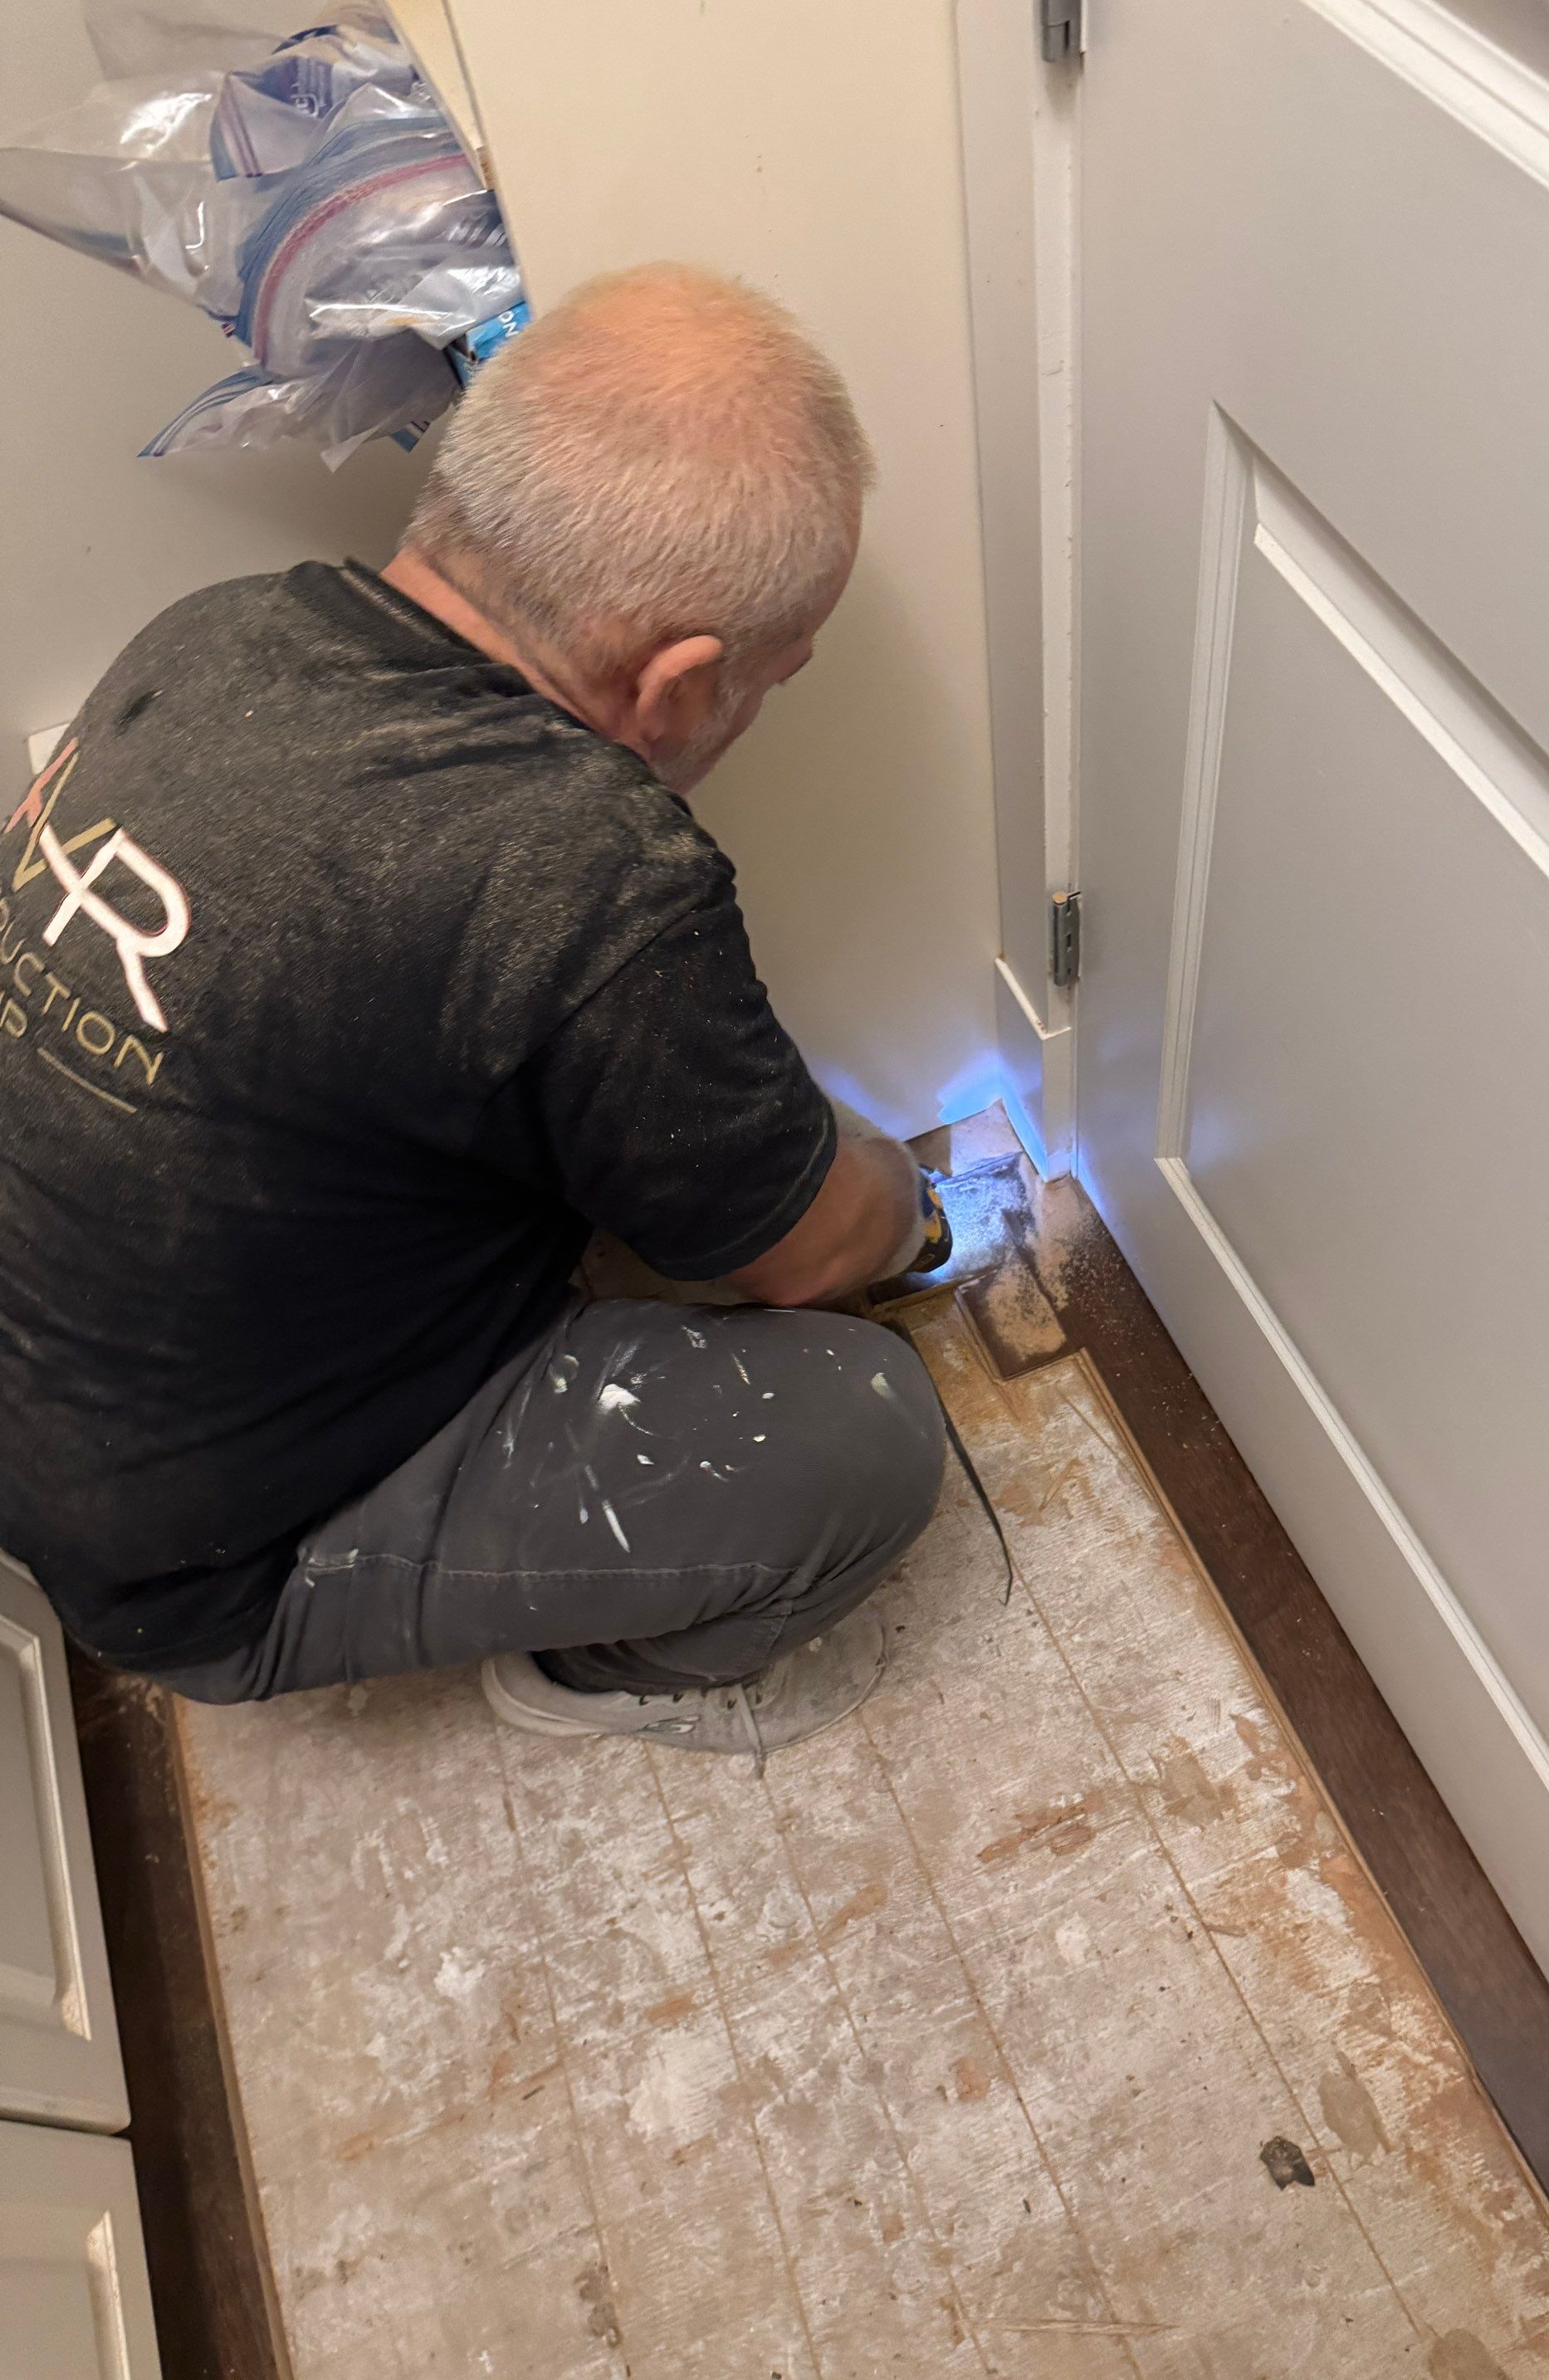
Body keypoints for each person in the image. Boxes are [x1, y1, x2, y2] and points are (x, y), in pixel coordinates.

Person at [0, 263, 947, 1759]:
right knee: (862, 1437)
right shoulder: (580, 873)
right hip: (203, 1564)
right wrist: (905, 1205)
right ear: (678, 683)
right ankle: (603, 1673)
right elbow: (813, 1256)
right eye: (773, 678)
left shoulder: (217, 636)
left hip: (71, 1407)